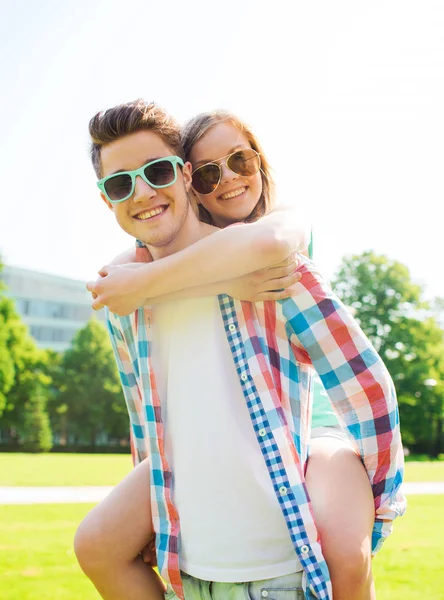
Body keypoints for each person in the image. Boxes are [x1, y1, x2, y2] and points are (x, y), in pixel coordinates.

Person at [75, 100, 405, 600]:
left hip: (288, 536)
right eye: (120, 184)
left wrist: (375, 497)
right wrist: (156, 513)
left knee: (348, 555)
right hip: (194, 571)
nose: (141, 192)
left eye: (157, 171)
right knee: (94, 544)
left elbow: (365, 384)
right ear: (106, 199)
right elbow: (143, 414)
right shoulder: (127, 295)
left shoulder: (271, 266)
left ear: (182, 177)